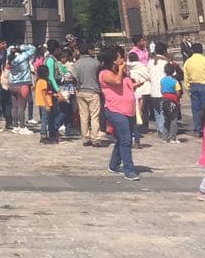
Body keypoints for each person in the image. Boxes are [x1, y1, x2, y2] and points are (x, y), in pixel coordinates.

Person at [98, 46, 140, 180]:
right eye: (120, 57)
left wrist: (135, 84)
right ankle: (129, 169)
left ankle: (114, 164)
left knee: (122, 138)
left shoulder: (123, 73)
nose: (123, 59)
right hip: (115, 110)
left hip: (129, 110)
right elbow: (116, 82)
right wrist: (121, 70)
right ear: (113, 60)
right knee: (127, 139)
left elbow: (125, 86)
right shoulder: (105, 74)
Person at [72, 42, 107, 145]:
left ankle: (85, 138)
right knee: (94, 116)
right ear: (89, 51)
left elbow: (74, 78)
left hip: (81, 91)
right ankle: (95, 138)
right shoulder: (95, 63)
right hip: (93, 91)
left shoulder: (76, 64)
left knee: (83, 116)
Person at [183, 43, 205, 136]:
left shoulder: (188, 62)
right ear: (201, 50)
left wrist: (187, 87)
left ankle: (198, 128)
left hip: (193, 86)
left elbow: (186, 76)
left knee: (196, 109)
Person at [7, 44, 36, 132]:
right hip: (23, 83)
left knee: (14, 107)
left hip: (12, 84)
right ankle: (22, 126)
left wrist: (12, 48)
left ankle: (15, 126)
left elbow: (8, 50)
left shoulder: (9, 58)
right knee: (21, 107)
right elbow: (33, 48)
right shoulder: (24, 56)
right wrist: (20, 47)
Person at [148, 42, 169, 139]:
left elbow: (148, 75)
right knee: (163, 111)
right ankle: (163, 130)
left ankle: (159, 129)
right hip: (163, 90)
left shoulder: (150, 61)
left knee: (157, 111)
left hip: (153, 90)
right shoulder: (165, 62)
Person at [159, 62, 182, 143]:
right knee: (174, 120)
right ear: (173, 71)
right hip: (173, 101)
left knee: (166, 120)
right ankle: (173, 138)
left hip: (164, 101)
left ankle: (164, 138)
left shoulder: (162, 80)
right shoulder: (175, 81)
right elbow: (178, 93)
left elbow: (161, 91)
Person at [34, 66, 57, 142]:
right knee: (45, 119)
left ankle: (47, 134)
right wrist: (47, 105)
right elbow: (44, 94)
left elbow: (47, 93)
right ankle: (43, 135)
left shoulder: (38, 81)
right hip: (45, 103)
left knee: (45, 119)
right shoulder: (43, 82)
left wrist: (53, 95)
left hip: (41, 103)